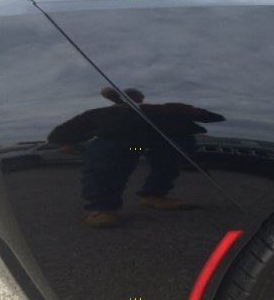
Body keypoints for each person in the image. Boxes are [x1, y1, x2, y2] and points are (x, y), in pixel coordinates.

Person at [48, 87, 224, 227]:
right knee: (107, 151)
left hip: (151, 145)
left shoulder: (162, 109)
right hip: (131, 146)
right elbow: (62, 133)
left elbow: (215, 118)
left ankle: (154, 195)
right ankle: (103, 208)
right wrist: (69, 142)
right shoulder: (101, 113)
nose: (133, 98)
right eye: (128, 96)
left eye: (136, 96)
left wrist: (194, 112)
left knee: (175, 149)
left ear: (142, 99)